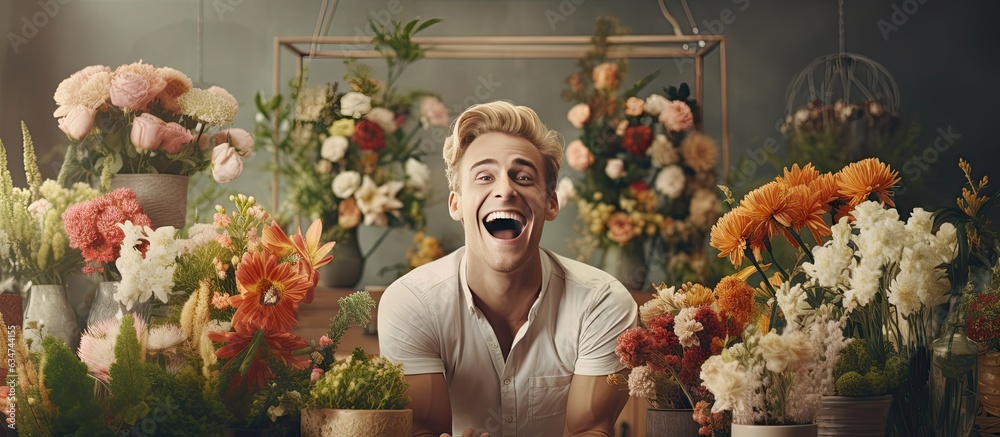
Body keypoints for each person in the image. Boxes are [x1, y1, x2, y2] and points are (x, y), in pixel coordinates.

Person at [378, 101, 638, 437]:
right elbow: (422, 430)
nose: (505, 189)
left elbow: (589, 431)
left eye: (524, 176)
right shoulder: (411, 303)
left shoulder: (601, 304)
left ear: (551, 203)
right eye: (484, 176)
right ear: (457, 204)